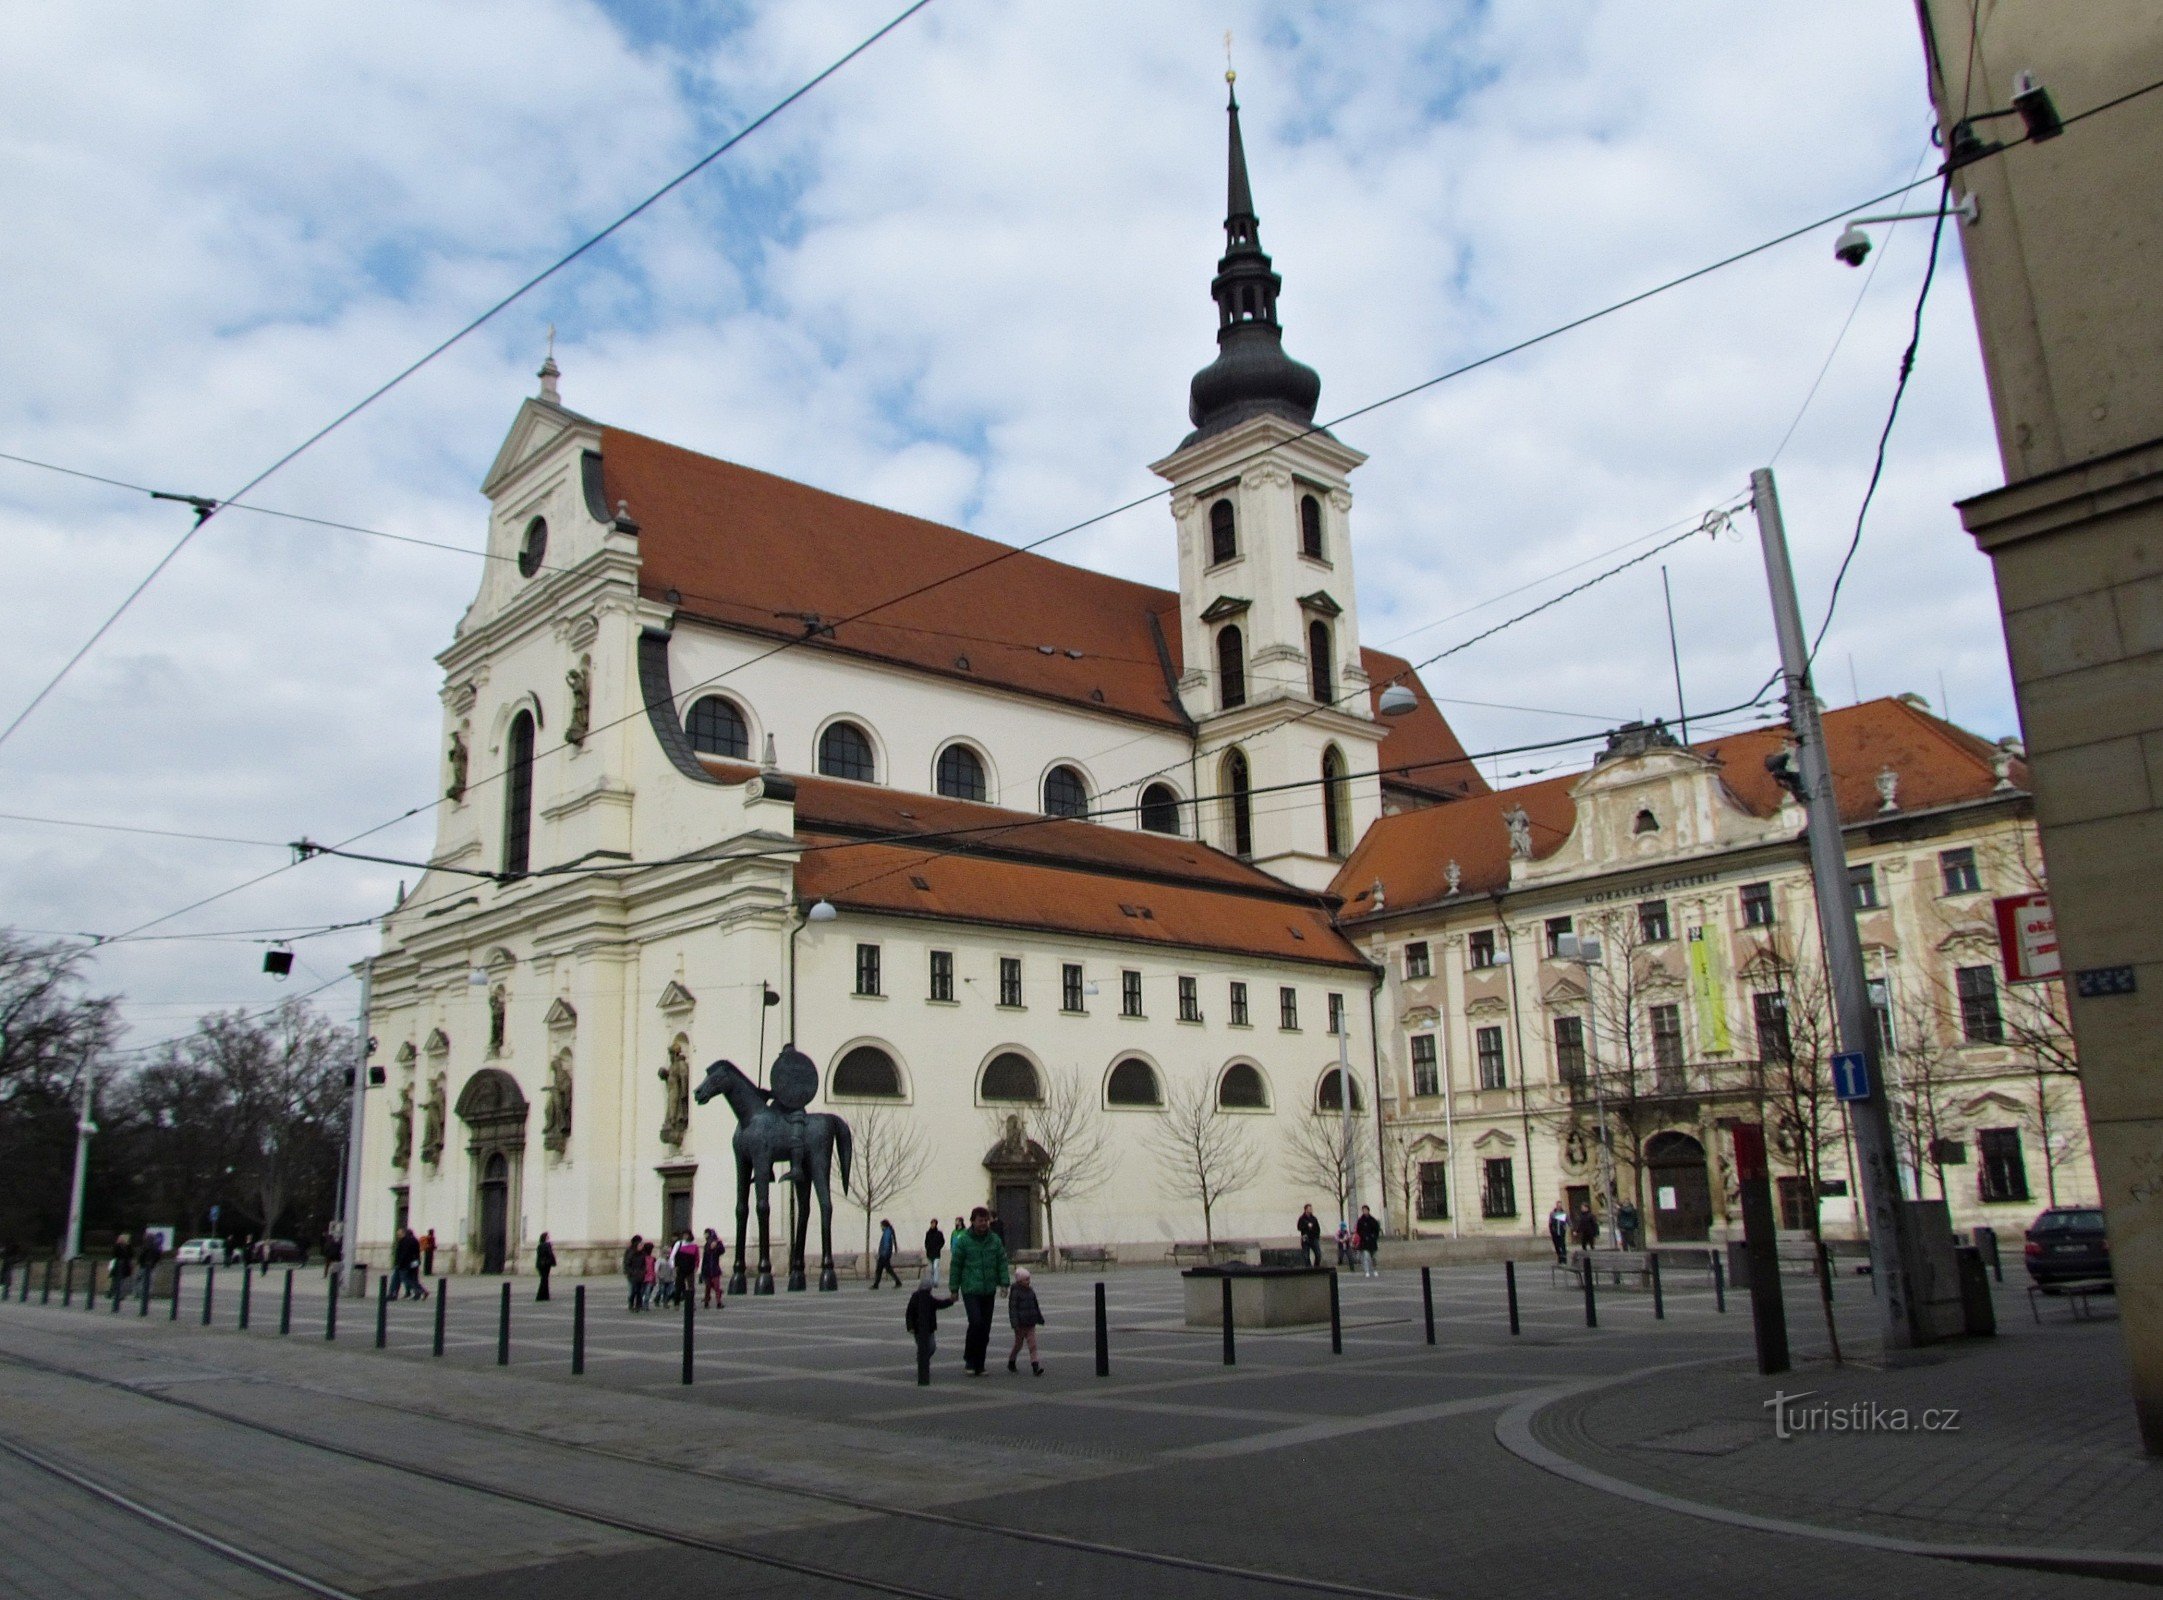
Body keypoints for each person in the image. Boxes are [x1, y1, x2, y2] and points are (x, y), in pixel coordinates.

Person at [947, 1205, 1011, 1376]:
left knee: (985, 1327)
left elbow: (1002, 1262)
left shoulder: (994, 1240)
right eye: (980, 1220)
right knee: (976, 1323)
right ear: (973, 1221)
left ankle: (980, 1363)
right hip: (970, 1289)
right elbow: (956, 1266)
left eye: (986, 1220)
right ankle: (970, 1358)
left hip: (988, 1289)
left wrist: (1004, 1283)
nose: (984, 1224)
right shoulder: (964, 1241)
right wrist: (954, 1289)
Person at [904, 1269, 956, 1386]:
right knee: (925, 1346)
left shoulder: (929, 1299)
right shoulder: (915, 1298)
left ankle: (922, 1359)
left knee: (931, 1347)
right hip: (919, 1329)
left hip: (929, 1328)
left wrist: (950, 1301)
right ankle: (922, 1360)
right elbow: (909, 1314)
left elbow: (939, 1304)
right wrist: (910, 1326)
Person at [1006, 1266, 1046, 1376]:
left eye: (1029, 1279)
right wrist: (1015, 1324)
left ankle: (1035, 1366)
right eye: (1026, 1279)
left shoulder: (1031, 1291)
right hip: (1020, 1324)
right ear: (1019, 1281)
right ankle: (1011, 1361)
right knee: (1018, 1344)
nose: (1029, 1281)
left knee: (1032, 1345)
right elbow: (1012, 1309)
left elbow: (1035, 1306)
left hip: (1030, 1323)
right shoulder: (1015, 1292)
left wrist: (1039, 1317)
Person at [392, 1227, 424, 1300]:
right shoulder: (415, 1240)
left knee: (406, 1277)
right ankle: (415, 1293)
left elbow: (404, 1253)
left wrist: (399, 1263)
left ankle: (418, 1291)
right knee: (413, 1277)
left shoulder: (406, 1241)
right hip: (415, 1261)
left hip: (407, 1262)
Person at [871, 1219, 901, 1290]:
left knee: (880, 1269)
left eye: (881, 1226)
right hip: (886, 1254)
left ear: (884, 1225)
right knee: (886, 1269)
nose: (881, 1227)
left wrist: (883, 1253)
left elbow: (886, 1244)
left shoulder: (887, 1232)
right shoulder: (888, 1231)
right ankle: (897, 1281)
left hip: (884, 1255)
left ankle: (876, 1285)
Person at [701, 1228, 727, 1308]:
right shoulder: (707, 1245)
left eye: (707, 1234)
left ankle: (718, 1302)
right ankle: (706, 1301)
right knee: (708, 1287)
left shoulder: (717, 1244)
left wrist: (718, 1243)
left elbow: (722, 1251)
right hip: (707, 1269)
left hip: (715, 1268)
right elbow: (705, 1258)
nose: (705, 1236)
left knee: (716, 1286)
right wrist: (702, 1271)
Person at [672, 1234, 700, 1306]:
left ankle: (691, 1302)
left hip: (690, 1269)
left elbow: (697, 1257)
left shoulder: (694, 1246)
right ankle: (676, 1302)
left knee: (691, 1286)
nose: (685, 1237)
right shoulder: (679, 1244)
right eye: (684, 1235)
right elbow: (673, 1255)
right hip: (681, 1268)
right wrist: (674, 1267)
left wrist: (696, 1267)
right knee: (679, 1286)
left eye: (686, 1235)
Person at [1355, 1205, 1381, 1278]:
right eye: (1363, 1210)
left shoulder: (1373, 1220)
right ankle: (1367, 1271)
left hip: (1372, 1242)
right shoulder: (1360, 1221)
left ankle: (1375, 1270)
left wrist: (1374, 1237)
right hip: (1364, 1242)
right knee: (1366, 1257)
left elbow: (1377, 1230)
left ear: (1368, 1210)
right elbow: (1358, 1230)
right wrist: (1363, 1236)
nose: (1365, 1211)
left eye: (1366, 1210)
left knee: (1374, 1257)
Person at [623, 1235, 646, 1312]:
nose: (641, 1246)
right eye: (640, 1245)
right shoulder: (630, 1252)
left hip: (640, 1274)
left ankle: (638, 1305)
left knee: (639, 1291)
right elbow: (627, 1264)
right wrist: (630, 1272)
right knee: (633, 1290)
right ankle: (631, 1304)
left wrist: (643, 1272)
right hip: (632, 1275)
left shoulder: (642, 1254)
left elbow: (644, 1264)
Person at [924, 1217, 947, 1287]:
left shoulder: (939, 1233)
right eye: (931, 1223)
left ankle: (935, 1281)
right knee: (931, 1269)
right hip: (929, 1253)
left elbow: (942, 1241)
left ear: (936, 1224)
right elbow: (926, 1242)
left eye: (934, 1223)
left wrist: (938, 1248)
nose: (932, 1225)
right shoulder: (928, 1233)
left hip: (936, 1253)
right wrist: (927, 1247)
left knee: (935, 1267)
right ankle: (931, 1281)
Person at [1547, 1200, 1571, 1264]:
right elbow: (1550, 1223)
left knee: (1562, 1245)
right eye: (1558, 1205)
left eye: (1560, 1205)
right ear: (1556, 1206)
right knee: (1557, 1245)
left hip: (1561, 1231)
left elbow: (1568, 1221)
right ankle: (1559, 1257)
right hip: (1555, 1232)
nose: (1559, 1206)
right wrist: (1551, 1230)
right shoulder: (1552, 1213)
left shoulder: (1564, 1213)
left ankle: (1564, 1258)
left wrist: (1570, 1228)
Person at [534, 1232, 556, 1301]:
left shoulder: (540, 1245)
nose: (548, 1237)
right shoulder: (546, 1245)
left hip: (541, 1265)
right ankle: (541, 1296)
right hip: (545, 1265)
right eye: (547, 1237)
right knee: (544, 1280)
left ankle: (544, 1296)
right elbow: (549, 1255)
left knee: (544, 1280)